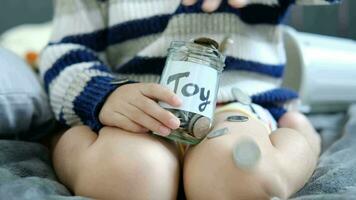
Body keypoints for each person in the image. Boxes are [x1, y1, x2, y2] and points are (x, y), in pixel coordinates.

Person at [39, 0, 338, 199]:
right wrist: (102, 95)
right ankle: (73, 142)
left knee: (239, 171)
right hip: (140, 109)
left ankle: (299, 136)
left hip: (233, 104)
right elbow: (66, 52)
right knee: (130, 175)